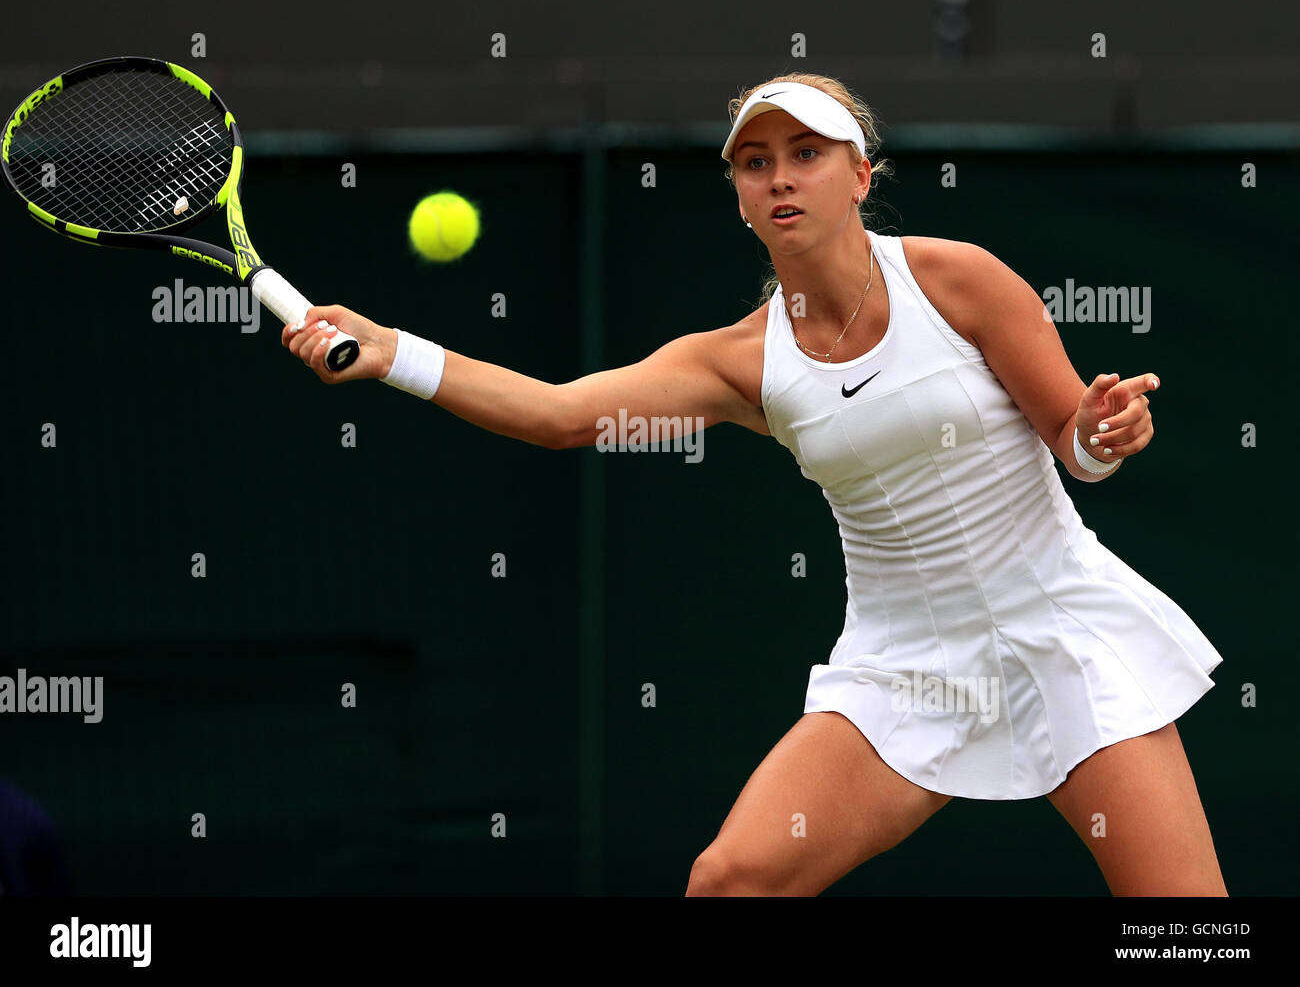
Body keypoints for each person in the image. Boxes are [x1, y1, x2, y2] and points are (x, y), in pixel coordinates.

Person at [281, 72, 1226, 897]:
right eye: (754, 161)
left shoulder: (961, 281)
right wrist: (392, 353)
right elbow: (561, 412)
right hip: (901, 670)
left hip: (1062, 632)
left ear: (860, 174)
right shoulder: (740, 361)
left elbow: (1075, 439)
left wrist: (1106, 433)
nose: (779, 176)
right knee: (731, 881)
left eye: (806, 153)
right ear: (737, 195)